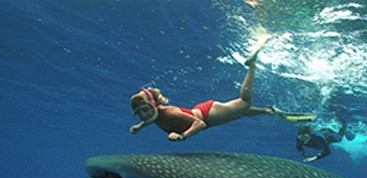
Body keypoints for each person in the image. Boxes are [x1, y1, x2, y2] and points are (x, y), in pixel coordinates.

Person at [129, 38, 314, 141]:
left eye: (144, 110)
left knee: (244, 102)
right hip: (204, 110)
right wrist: (140, 126)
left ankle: (252, 65)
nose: (143, 115)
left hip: (208, 116)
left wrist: (183, 136)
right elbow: (152, 120)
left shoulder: (169, 114)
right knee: (239, 112)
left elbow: (198, 124)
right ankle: (268, 111)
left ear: (154, 105)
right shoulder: (155, 115)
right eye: (139, 113)